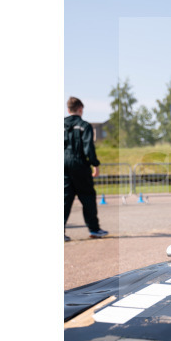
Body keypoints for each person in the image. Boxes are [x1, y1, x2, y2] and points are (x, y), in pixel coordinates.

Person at [64, 97, 108, 240]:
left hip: (63, 164)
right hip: (80, 164)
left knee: (64, 198)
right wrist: (95, 164)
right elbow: (89, 148)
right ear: (80, 109)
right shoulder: (85, 126)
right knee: (87, 196)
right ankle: (94, 229)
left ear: (68, 110)